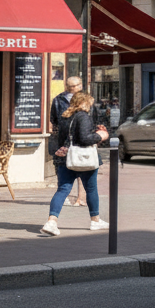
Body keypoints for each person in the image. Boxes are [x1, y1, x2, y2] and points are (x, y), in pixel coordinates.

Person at [42, 92, 110, 236]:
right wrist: (100, 136)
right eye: (89, 103)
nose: (90, 106)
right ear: (83, 103)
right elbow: (85, 138)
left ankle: (51, 221)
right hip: (84, 159)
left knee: (63, 189)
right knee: (91, 189)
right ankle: (95, 220)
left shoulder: (64, 116)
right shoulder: (83, 116)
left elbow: (59, 137)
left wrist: (60, 150)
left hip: (65, 158)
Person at [48, 76, 87, 207]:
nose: (73, 89)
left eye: (75, 86)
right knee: (61, 167)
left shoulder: (86, 100)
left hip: (80, 138)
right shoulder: (59, 100)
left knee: (82, 166)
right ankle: (63, 195)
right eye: (70, 86)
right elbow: (53, 118)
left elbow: (92, 117)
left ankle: (81, 198)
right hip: (63, 138)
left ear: (80, 86)